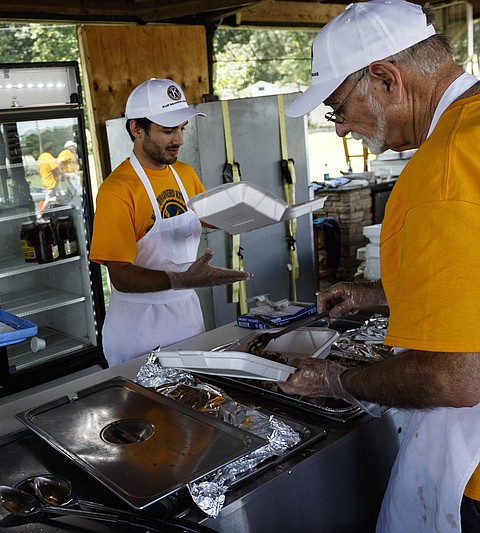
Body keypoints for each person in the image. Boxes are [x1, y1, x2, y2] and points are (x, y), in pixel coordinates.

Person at [281, 1, 480, 531]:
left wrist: (339, 380)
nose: (342, 129)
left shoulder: (446, 167)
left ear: (386, 78)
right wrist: (378, 293)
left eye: (338, 109)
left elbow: (457, 377)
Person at [89, 78, 251, 367]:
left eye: (181, 129)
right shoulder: (118, 190)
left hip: (187, 320)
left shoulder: (185, 173)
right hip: (139, 332)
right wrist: (183, 278)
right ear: (136, 129)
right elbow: (121, 276)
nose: (179, 140)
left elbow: (206, 217)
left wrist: (251, 213)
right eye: (167, 130)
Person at [37, 142, 63, 214]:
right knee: (49, 200)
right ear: (51, 149)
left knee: (58, 199)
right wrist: (62, 175)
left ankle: (60, 212)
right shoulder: (48, 156)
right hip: (51, 182)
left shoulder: (40, 157)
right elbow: (54, 168)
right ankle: (40, 214)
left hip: (45, 180)